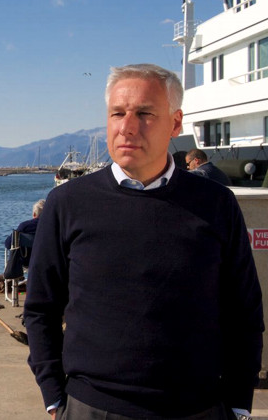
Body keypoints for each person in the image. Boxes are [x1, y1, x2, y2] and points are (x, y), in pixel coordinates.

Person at [24, 64, 263, 419]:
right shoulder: (68, 204)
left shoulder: (216, 204)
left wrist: (240, 401)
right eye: (117, 113)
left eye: (145, 114)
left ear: (176, 124)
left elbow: (244, 309)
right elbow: (41, 307)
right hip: (94, 407)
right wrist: (55, 396)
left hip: (199, 407)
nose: (128, 127)